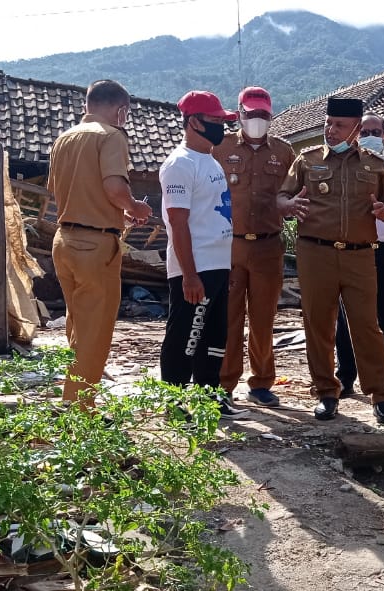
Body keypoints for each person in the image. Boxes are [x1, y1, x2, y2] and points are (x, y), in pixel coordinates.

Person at [276, 97, 384, 423]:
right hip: (315, 252)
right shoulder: (307, 160)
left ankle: (380, 395)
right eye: (328, 123)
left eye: (339, 125)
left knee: (367, 326)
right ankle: (326, 393)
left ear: (356, 129)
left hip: (360, 255)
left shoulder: (375, 165)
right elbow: (282, 196)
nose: (330, 130)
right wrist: (288, 206)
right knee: (318, 324)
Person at [47, 80, 152, 408]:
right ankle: (79, 410)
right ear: (121, 110)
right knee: (94, 333)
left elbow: (63, 191)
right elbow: (114, 187)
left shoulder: (63, 139)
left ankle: (72, 401)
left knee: (77, 328)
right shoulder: (112, 136)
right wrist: (134, 207)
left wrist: (119, 215)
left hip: (64, 240)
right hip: (95, 246)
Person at [158, 90, 246, 417]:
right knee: (186, 336)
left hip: (217, 264)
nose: (221, 127)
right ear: (194, 122)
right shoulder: (179, 164)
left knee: (214, 337)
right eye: (215, 120)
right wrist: (190, 275)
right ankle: (174, 402)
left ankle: (209, 398)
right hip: (194, 267)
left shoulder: (210, 160)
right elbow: (177, 222)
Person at [213, 87, 296, 407]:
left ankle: (261, 382)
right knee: (229, 319)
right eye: (251, 114)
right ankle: (224, 383)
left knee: (263, 319)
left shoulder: (284, 152)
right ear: (239, 114)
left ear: (270, 115)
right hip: (229, 246)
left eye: (262, 114)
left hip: (268, 246)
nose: (257, 119)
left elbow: (295, 193)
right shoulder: (220, 147)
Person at [334, 113, 384, 399]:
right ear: (355, 136)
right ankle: (345, 377)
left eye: (375, 132)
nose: (370, 137)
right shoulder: (344, 167)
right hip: (354, 251)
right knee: (346, 318)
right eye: (364, 132)